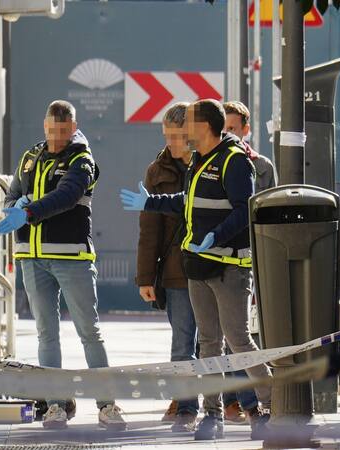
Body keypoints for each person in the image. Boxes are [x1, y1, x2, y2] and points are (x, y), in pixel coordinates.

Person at [120, 99, 273, 441]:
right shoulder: (198, 162)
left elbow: (243, 210)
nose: (182, 130)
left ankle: (269, 406)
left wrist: (215, 236)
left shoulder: (235, 162)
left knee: (238, 340)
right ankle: (212, 414)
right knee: (208, 344)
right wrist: (150, 202)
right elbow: (187, 201)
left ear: (204, 126)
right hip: (198, 268)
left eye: (187, 123)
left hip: (229, 269)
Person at [0, 100, 126, 431]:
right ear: (44, 126)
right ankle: (55, 406)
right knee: (46, 334)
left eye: (64, 131)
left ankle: (107, 405)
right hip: (32, 257)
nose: (57, 137)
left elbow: (67, 196)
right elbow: (9, 197)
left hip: (72, 258)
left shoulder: (82, 159)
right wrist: (17, 204)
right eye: (52, 130)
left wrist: (26, 212)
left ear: (73, 127)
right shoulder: (30, 158)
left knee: (89, 331)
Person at [134, 102, 199, 432]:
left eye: (177, 136)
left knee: (215, 343)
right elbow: (150, 229)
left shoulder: (210, 164)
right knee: (182, 343)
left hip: (213, 266)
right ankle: (187, 408)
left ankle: (218, 404)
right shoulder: (156, 171)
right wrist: (145, 277)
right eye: (167, 136)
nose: (171, 143)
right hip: (176, 271)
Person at [221, 101, 278, 424]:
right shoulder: (211, 162)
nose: (228, 133)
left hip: (251, 258)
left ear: (246, 130)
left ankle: (247, 400)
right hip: (220, 256)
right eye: (223, 127)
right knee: (228, 335)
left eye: (233, 127)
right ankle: (233, 402)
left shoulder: (263, 166)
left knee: (240, 333)